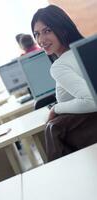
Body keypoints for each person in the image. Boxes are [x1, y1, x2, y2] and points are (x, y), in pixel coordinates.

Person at [31, 5, 97, 160]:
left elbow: (92, 100)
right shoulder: (87, 50)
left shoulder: (59, 66)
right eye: (37, 34)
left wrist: (57, 108)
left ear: (62, 29)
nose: (41, 40)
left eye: (47, 31)